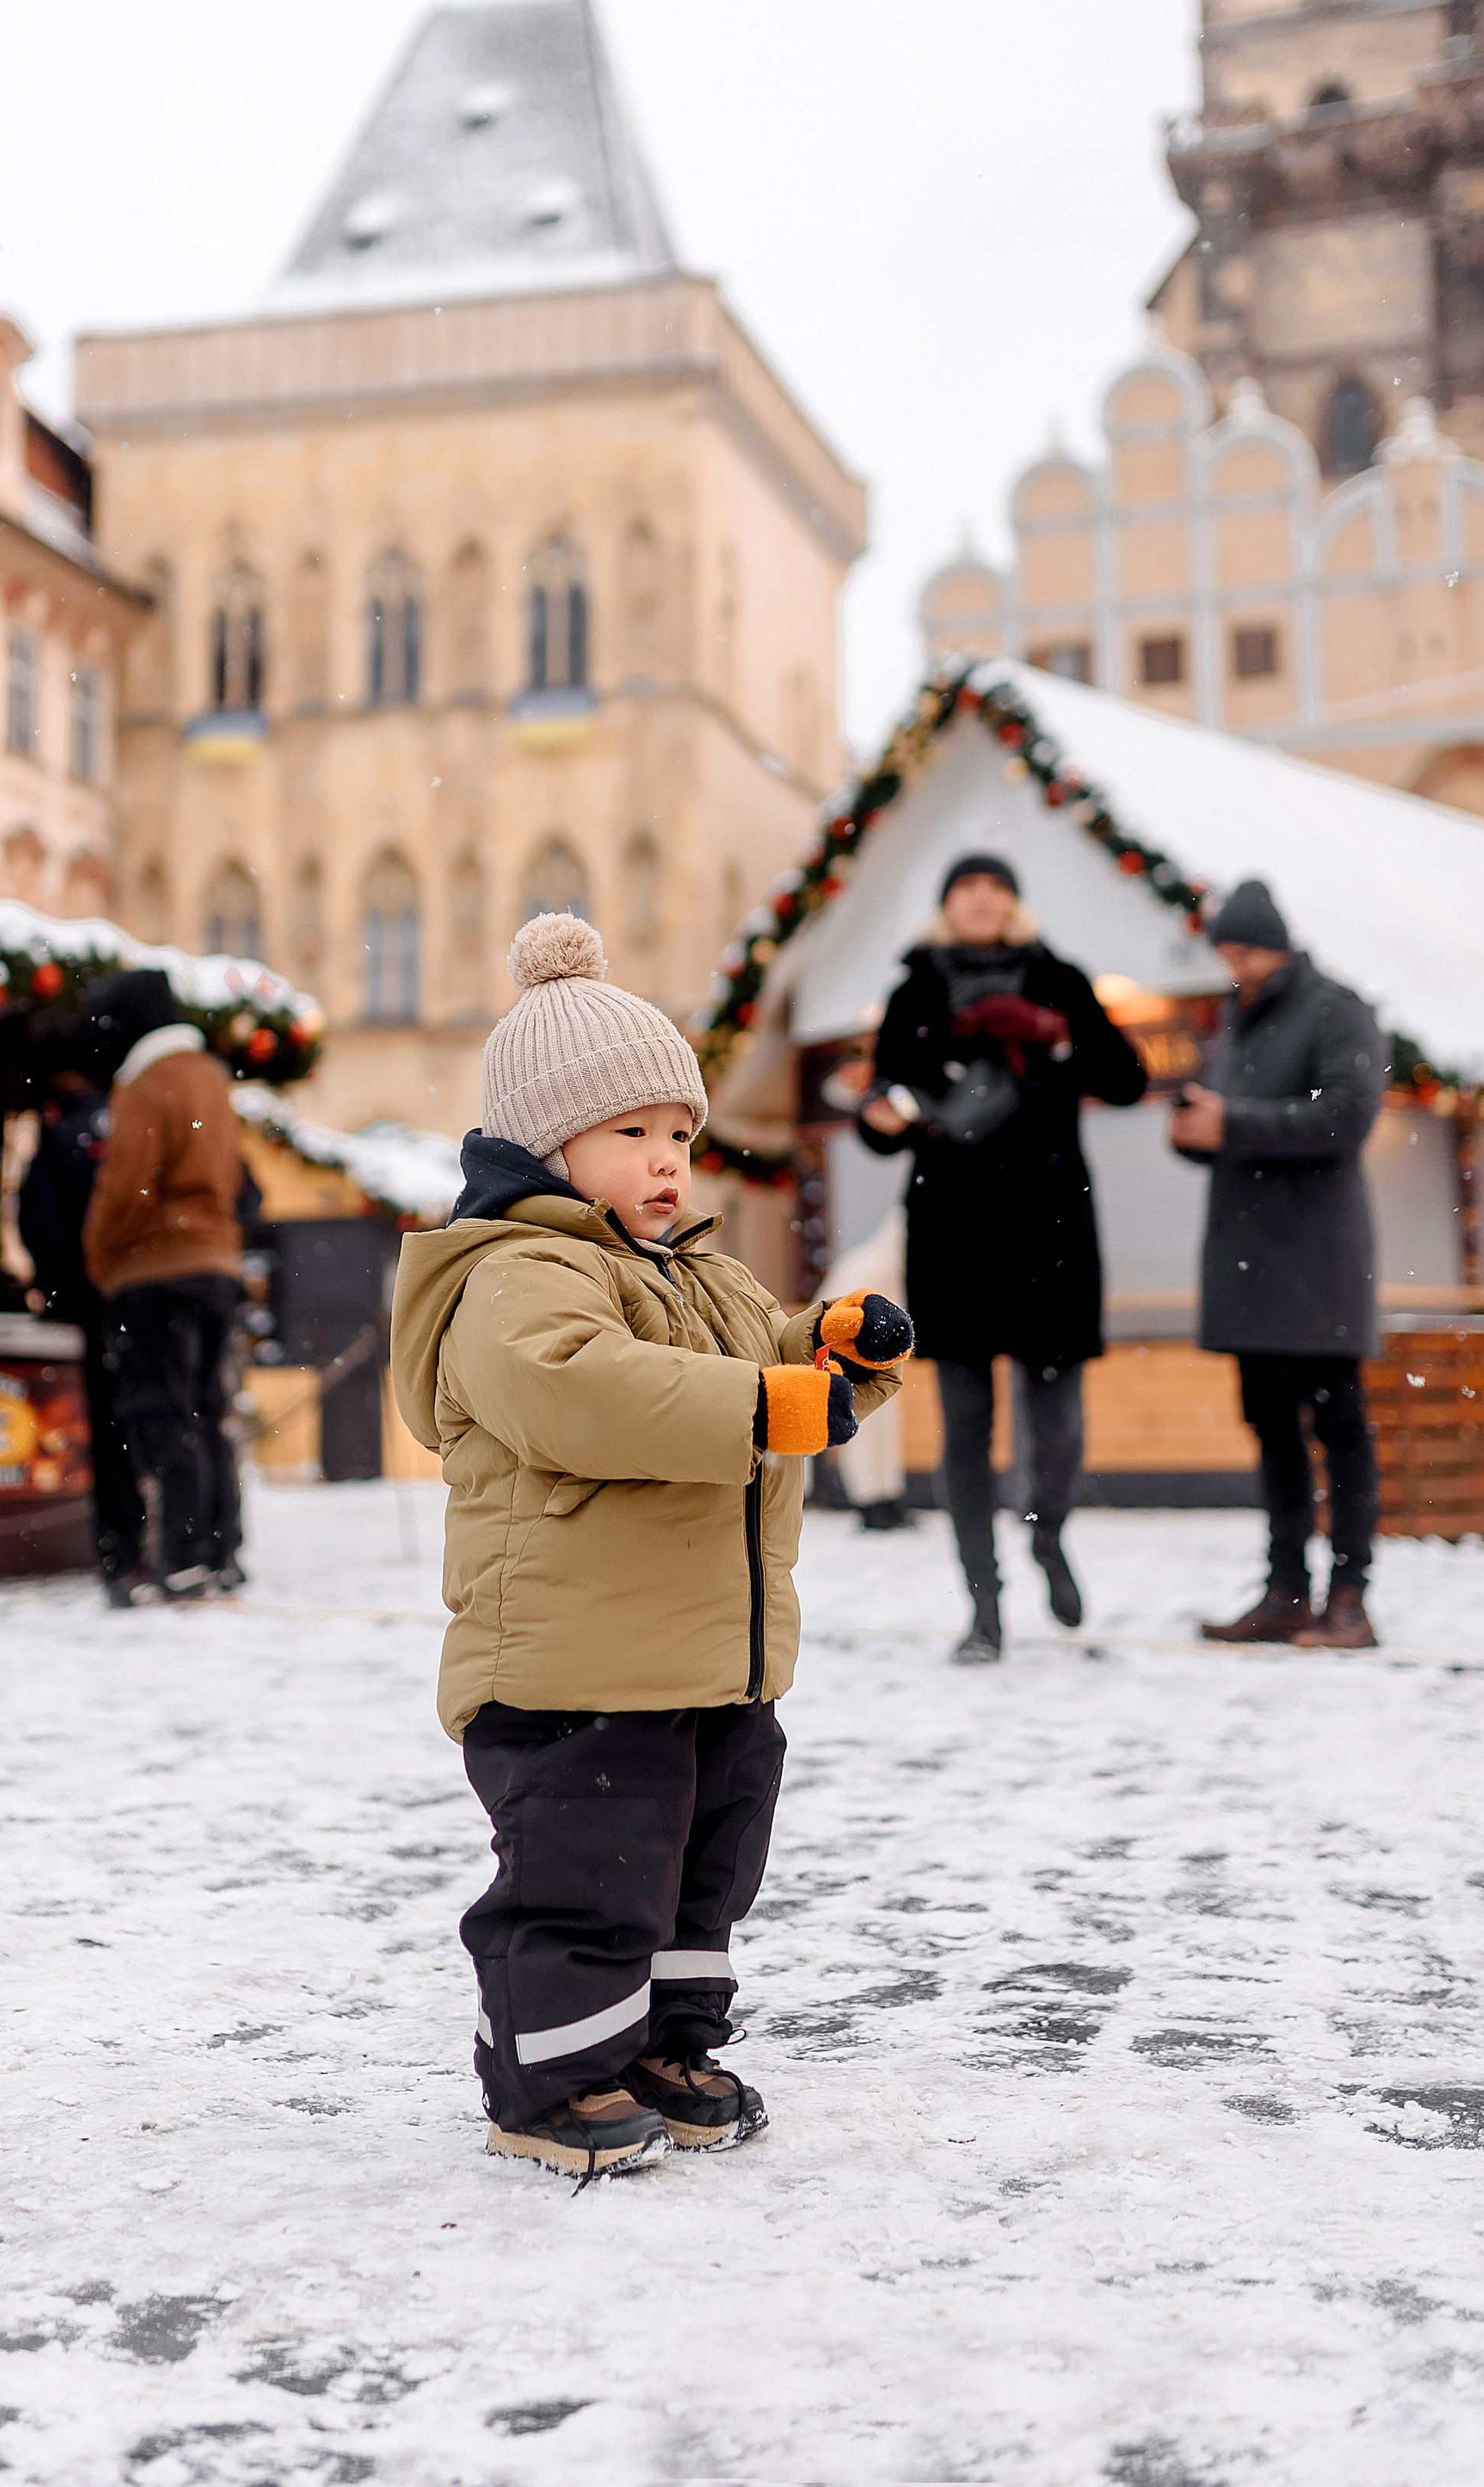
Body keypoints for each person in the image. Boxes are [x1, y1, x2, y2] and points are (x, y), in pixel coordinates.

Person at [390, 913, 911, 2180]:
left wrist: (835, 1355)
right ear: (543, 1144)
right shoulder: (518, 1273)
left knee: (697, 1867)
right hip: (572, 1670)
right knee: (587, 1871)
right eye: (632, 1133)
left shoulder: (701, 1272)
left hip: (701, 1658)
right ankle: (551, 2074)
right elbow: (593, 1392)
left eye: (680, 1132)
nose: (669, 1160)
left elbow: (773, 1365)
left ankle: (665, 2041)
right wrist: (762, 1405)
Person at [859, 850, 1147, 1663]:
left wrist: (1057, 1037)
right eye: (965, 888)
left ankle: (1047, 1532)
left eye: (995, 888)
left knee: (1055, 1423)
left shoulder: (1059, 978)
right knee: (964, 1425)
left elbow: (1128, 1079)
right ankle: (981, 1606)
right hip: (952, 1230)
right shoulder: (913, 988)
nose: (981, 899)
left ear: (1012, 904)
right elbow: (880, 1108)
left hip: (1050, 1227)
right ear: (947, 905)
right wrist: (881, 1117)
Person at [1171, 876, 1387, 1651]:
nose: (1236, 963)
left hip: (1319, 1260)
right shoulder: (1235, 1024)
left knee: (1340, 1430)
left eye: (1244, 948)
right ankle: (1286, 1593)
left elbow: (1346, 1115)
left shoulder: (1337, 1008)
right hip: (1247, 1265)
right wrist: (1195, 1129)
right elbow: (1237, 1126)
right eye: (1226, 950)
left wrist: (1233, 1122)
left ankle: (1350, 1598)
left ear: (1276, 942)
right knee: (1272, 1436)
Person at [81, 967, 245, 1604]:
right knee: (209, 1414)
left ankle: (179, 1561)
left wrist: (99, 1259)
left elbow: (126, 1187)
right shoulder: (210, 1079)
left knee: (166, 1414)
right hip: (216, 1265)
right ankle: (220, 1553)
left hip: (157, 1272)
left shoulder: (146, 1084)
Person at [16, 1068, 142, 1596]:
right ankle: (192, 1546)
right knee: (170, 1421)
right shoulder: (134, 1121)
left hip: (96, 1301)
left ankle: (124, 1553)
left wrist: (59, 1284)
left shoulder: (61, 1138)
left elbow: (36, 1218)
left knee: (113, 1435)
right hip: (147, 1294)